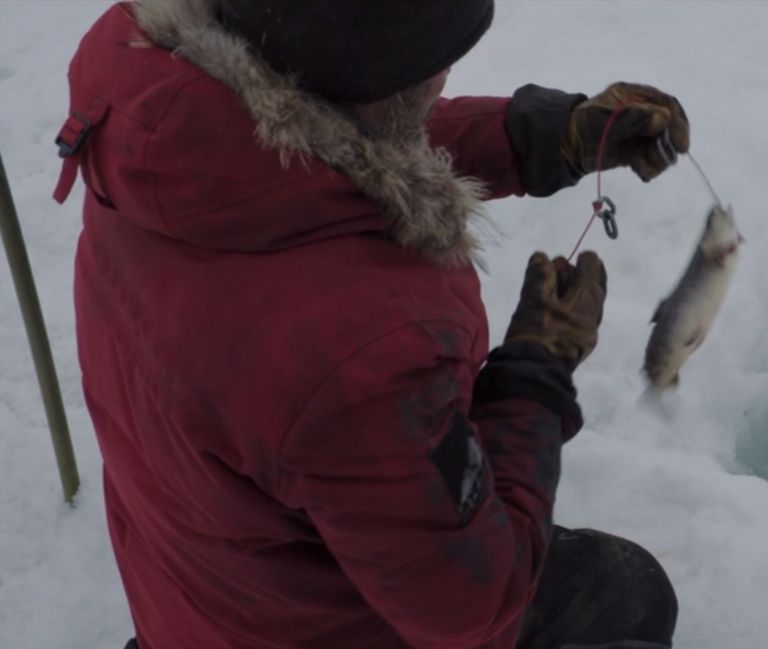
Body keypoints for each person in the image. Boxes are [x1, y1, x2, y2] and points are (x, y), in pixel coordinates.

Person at [53, 1, 690, 647]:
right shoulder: (357, 351)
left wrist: (548, 135)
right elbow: (475, 605)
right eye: (429, 64)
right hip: (315, 628)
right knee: (625, 597)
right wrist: (538, 369)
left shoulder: (164, 134)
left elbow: (335, 149)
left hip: (202, 594)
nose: (443, 76)